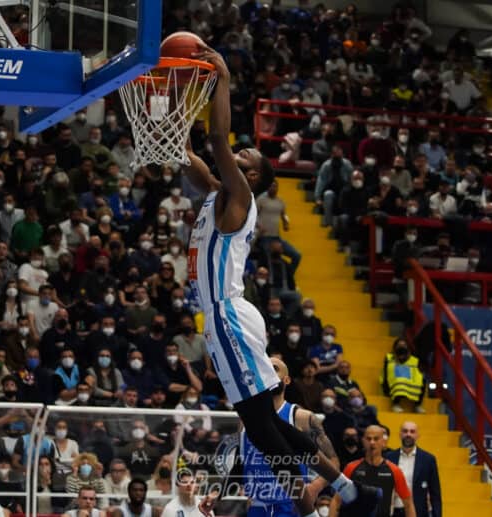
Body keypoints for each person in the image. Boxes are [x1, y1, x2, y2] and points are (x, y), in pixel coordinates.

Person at [183, 44, 380, 517]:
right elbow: (198, 161)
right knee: (263, 420)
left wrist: (222, 82)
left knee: (257, 425)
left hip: (227, 313)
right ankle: (351, 492)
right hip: (227, 315)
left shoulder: (239, 198)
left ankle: (311, 508)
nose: (241, 152)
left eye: (245, 156)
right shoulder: (221, 194)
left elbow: (217, 141)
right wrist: (171, 126)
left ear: (248, 176)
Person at [238, 357, 340, 517]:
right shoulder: (245, 420)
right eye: (265, 369)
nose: (269, 372)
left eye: (275, 368)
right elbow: (244, 461)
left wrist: (314, 487)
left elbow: (333, 461)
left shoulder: (302, 417)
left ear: (287, 380)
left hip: (291, 506)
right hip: (257, 507)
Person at [332, 426, 416, 517]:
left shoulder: (394, 471)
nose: (372, 442)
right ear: (363, 441)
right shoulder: (351, 468)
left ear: (383, 442)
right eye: (368, 439)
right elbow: (336, 501)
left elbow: (408, 504)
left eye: (376, 439)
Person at [384, 422, 441, 517]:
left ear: (418, 435)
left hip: (419, 513)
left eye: (412, 431)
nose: (408, 434)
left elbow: (435, 493)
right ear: (400, 434)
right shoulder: (388, 458)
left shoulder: (428, 460)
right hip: (394, 512)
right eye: (405, 431)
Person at [380, 338, 426, 413]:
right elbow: (387, 373)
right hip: (394, 382)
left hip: (410, 383)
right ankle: (395, 404)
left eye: (404, 345)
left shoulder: (414, 360)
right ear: (395, 347)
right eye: (399, 345)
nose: (402, 347)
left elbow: (417, 373)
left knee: (422, 380)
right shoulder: (389, 358)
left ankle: (417, 405)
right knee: (399, 381)